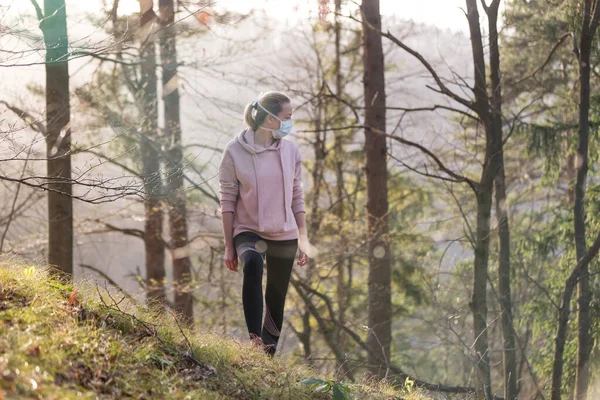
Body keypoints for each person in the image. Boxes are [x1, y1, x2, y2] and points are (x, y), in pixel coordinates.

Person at [218, 91, 314, 355]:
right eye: (288, 117)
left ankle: (266, 356)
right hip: (247, 230)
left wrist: (303, 240)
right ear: (271, 119)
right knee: (253, 264)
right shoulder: (234, 151)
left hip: (284, 234)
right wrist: (228, 245)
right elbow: (227, 201)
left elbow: (297, 196)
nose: (289, 122)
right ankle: (254, 341)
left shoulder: (291, 150)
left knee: (275, 296)